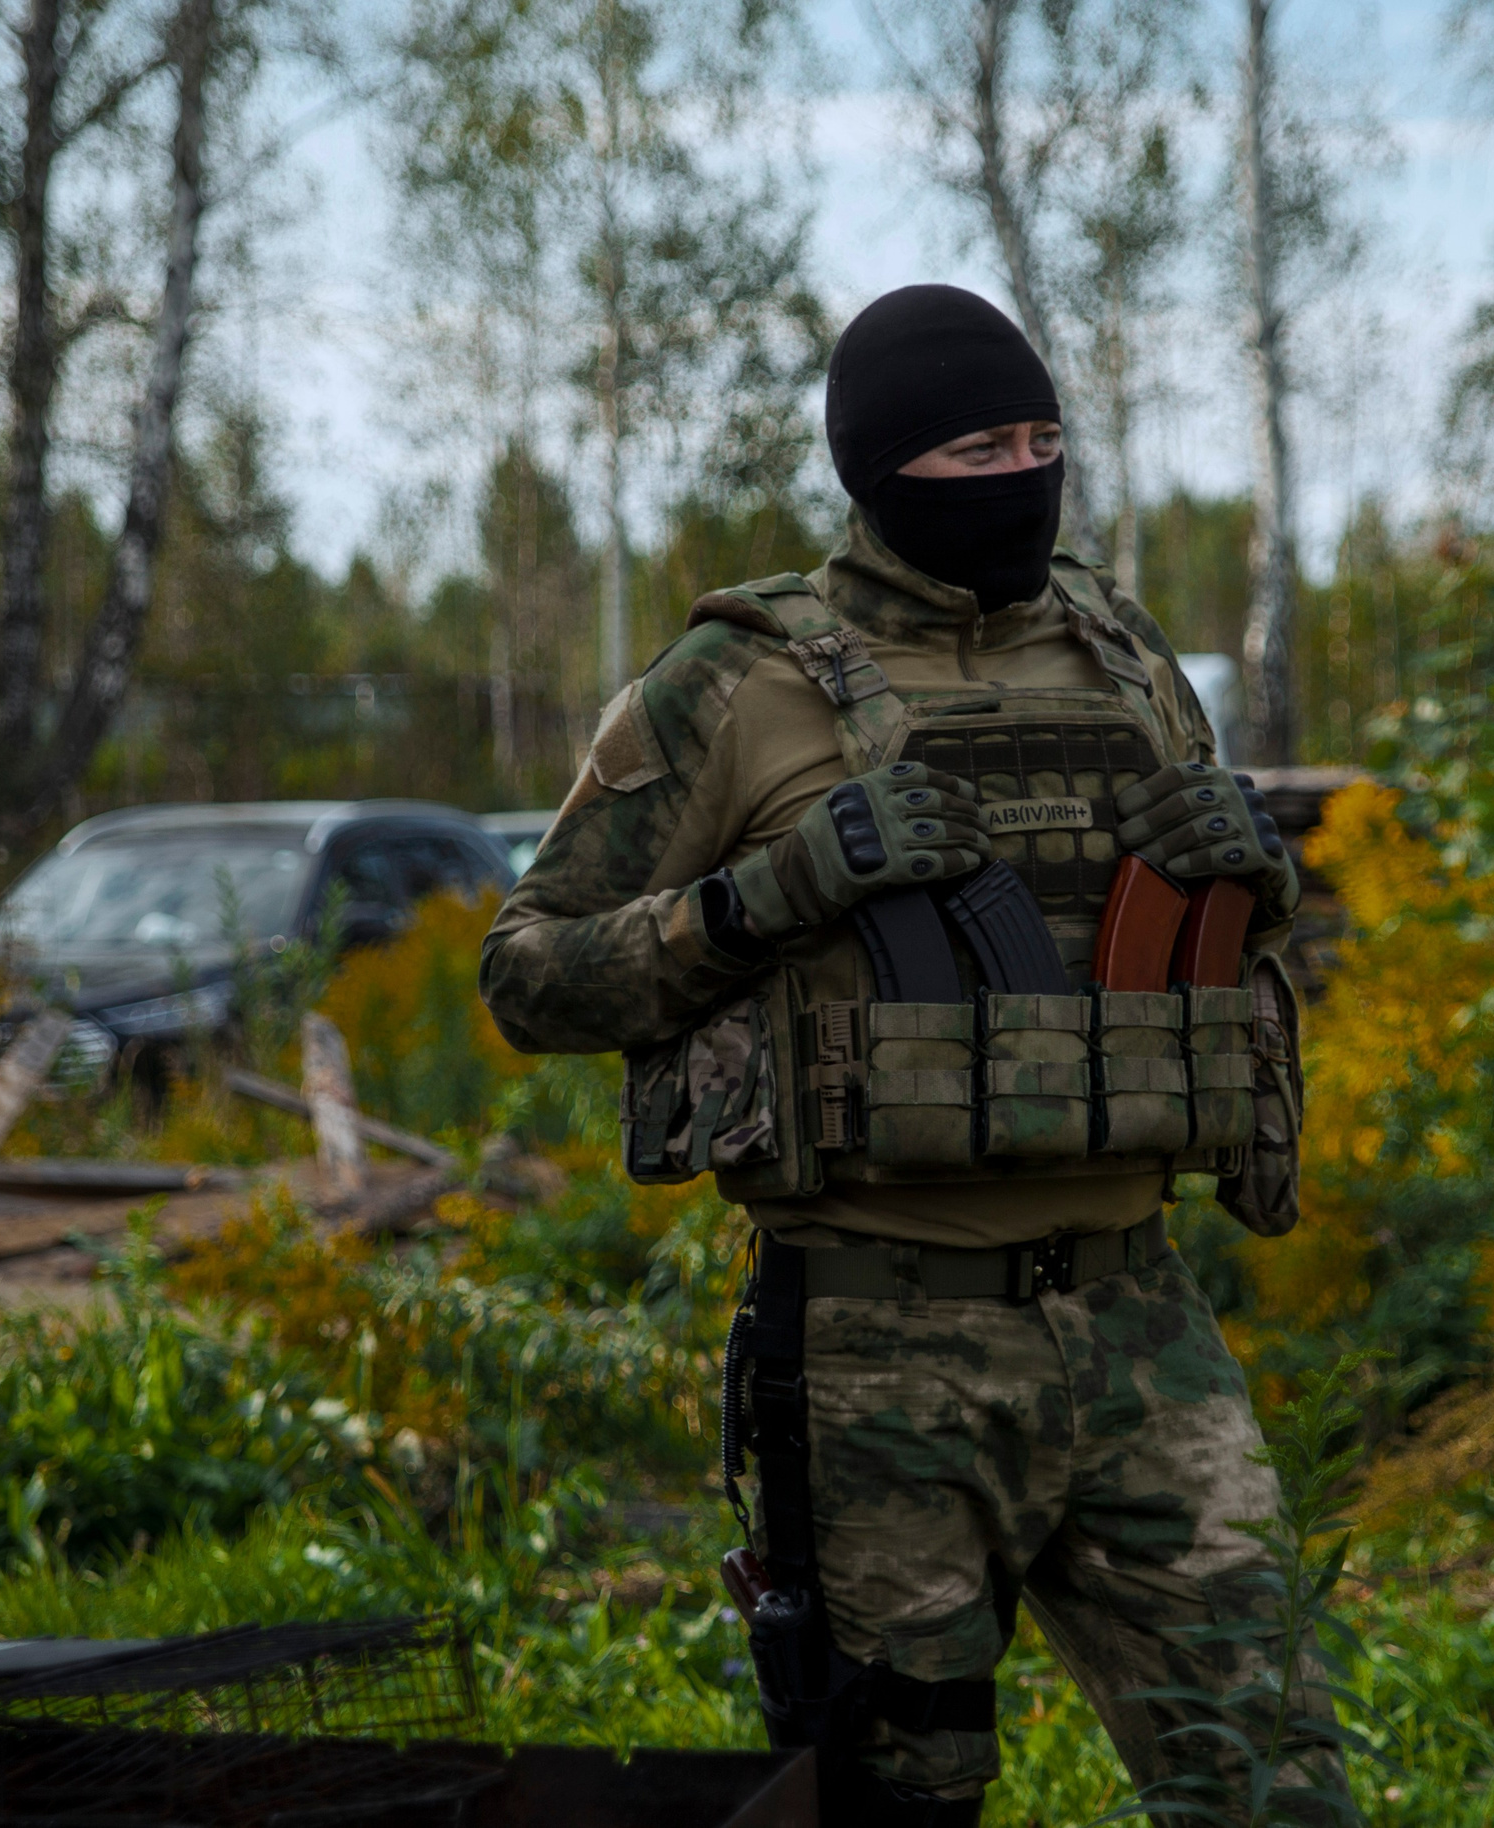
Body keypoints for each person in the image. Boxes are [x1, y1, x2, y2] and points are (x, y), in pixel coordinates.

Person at [480, 284, 1320, 1827]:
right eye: (979, 444)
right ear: (878, 469)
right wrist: (758, 900)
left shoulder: (1127, 653)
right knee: (893, 1795)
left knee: (1274, 1782)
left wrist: (1257, 883)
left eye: (1044, 435)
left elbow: (1213, 971)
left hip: (1142, 1320)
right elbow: (525, 975)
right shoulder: (738, 685)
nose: (1023, 469)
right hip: (879, 1350)